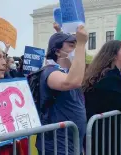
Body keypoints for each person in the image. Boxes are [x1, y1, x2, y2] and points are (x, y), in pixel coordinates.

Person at [35, 25, 88, 155]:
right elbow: (71, 82)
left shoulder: (68, 71)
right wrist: (81, 44)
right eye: (71, 45)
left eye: (75, 45)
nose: (75, 49)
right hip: (57, 144)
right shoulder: (49, 72)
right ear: (57, 51)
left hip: (73, 141)